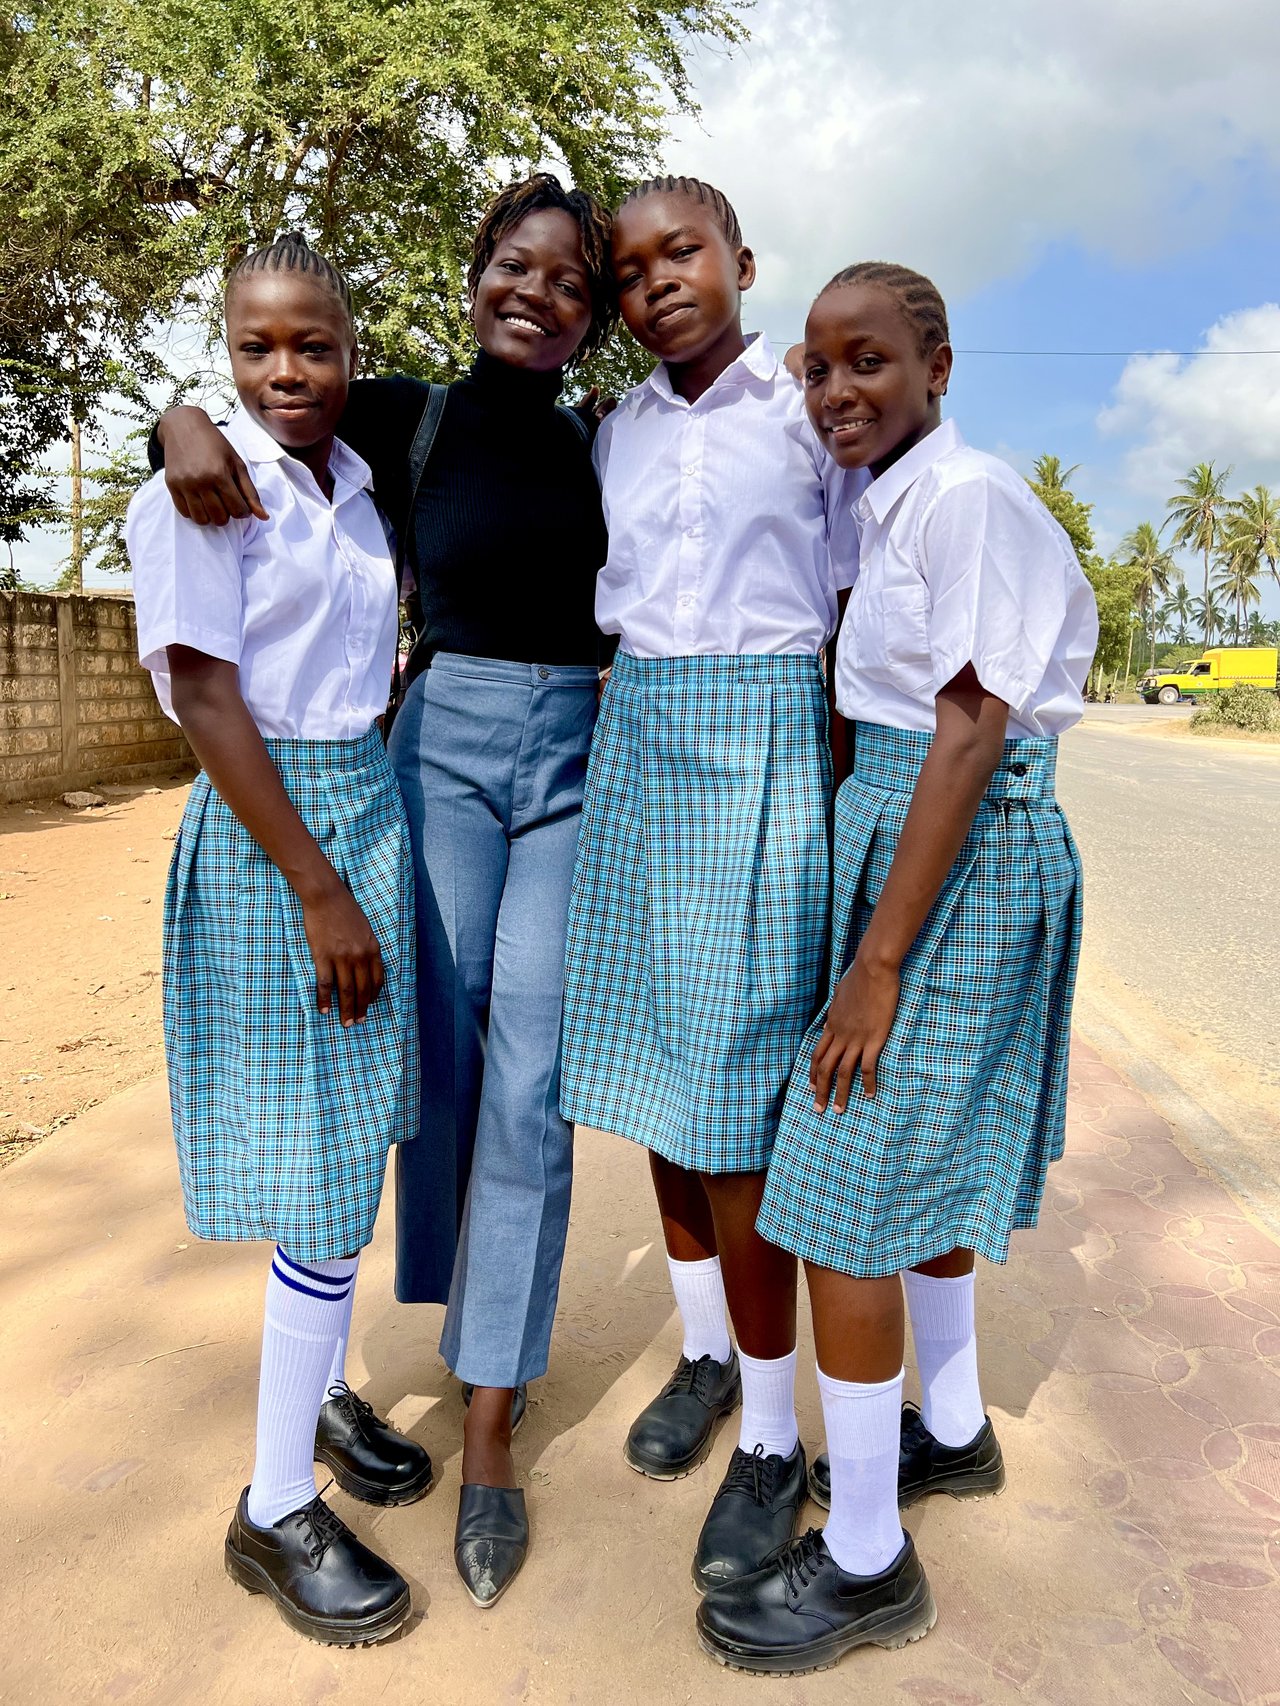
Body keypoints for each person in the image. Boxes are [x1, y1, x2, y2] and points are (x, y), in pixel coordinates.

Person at [149, 175, 616, 1609]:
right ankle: (348, 1378)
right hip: (441, 748)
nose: (534, 292)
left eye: (568, 281)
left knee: (535, 1078)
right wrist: (169, 424)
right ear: (475, 271)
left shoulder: (616, 440)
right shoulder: (392, 415)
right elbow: (235, 406)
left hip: (576, 753)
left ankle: (488, 1421)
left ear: (593, 316)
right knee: (431, 1059)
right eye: (512, 265)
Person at [696, 262, 1097, 1675]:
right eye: (814, 368)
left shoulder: (968, 494)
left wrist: (876, 962)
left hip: (954, 847)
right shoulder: (889, 498)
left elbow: (975, 724)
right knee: (902, 1169)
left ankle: (866, 1556)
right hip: (905, 836)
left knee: (845, 1190)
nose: (834, 391)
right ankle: (955, 1424)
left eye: (866, 361)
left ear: (938, 363)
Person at [559, 175, 860, 1592]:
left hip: (762, 748)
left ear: (742, 259)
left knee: (740, 1103)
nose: (656, 281)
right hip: (640, 739)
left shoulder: (807, 413)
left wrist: (851, 795)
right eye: (628, 270)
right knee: (660, 1082)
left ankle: (779, 1436)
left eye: (683, 251)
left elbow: (857, 602)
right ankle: (706, 1354)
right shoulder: (612, 428)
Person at [127, 235, 423, 1645]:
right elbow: (202, 693)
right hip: (277, 834)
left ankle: (314, 1391)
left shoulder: (355, 480)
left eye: (314, 344)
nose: (288, 371)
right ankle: (269, 1502)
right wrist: (315, 882)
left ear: (351, 350)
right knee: (317, 1165)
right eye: (258, 349)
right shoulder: (197, 491)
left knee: (352, 1131)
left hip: (363, 801)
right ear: (225, 351)